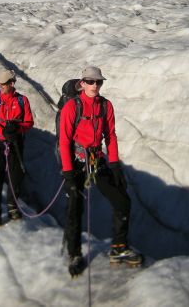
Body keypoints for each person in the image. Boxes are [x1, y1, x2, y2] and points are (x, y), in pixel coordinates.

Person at [59, 66, 143, 275]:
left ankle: (119, 247)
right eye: (90, 81)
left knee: (122, 201)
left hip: (97, 159)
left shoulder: (106, 106)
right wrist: (68, 172)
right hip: (77, 162)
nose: (94, 85)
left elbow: (110, 135)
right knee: (75, 207)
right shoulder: (72, 106)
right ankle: (75, 253)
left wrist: (115, 165)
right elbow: (64, 140)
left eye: (98, 82)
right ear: (82, 83)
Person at [0, 69, 34, 227]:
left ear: (12, 84)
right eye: (0, 84)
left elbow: (29, 122)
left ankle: (12, 206)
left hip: (15, 142)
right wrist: (5, 133)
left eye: (4, 84)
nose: (1, 87)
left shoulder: (22, 100)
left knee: (16, 176)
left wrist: (17, 129)